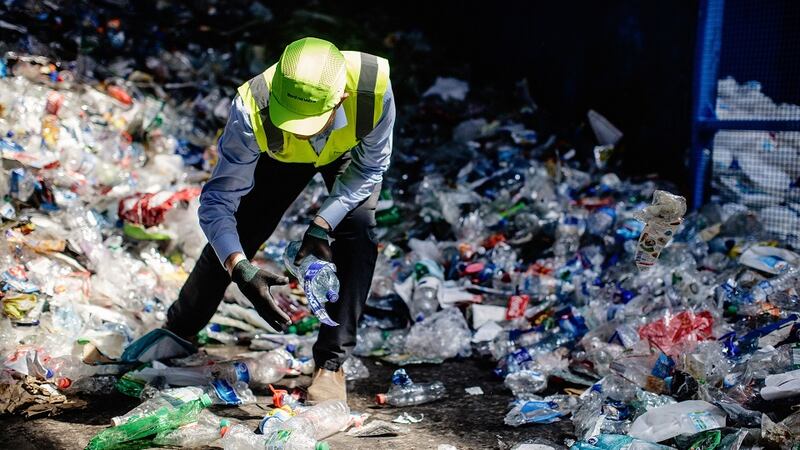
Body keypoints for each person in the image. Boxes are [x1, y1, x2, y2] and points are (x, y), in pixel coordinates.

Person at [165, 36, 394, 403]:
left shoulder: (372, 88)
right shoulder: (253, 104)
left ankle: (331, 365)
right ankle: (179, 328)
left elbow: (371, 168)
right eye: (294, 119)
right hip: (282, 155)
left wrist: (322, 224)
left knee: (358, 233)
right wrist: (239, 266)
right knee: (243, 226)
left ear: (342, 98)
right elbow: (219, 201)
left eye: (312, 122)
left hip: (349, 154)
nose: (304, 129)